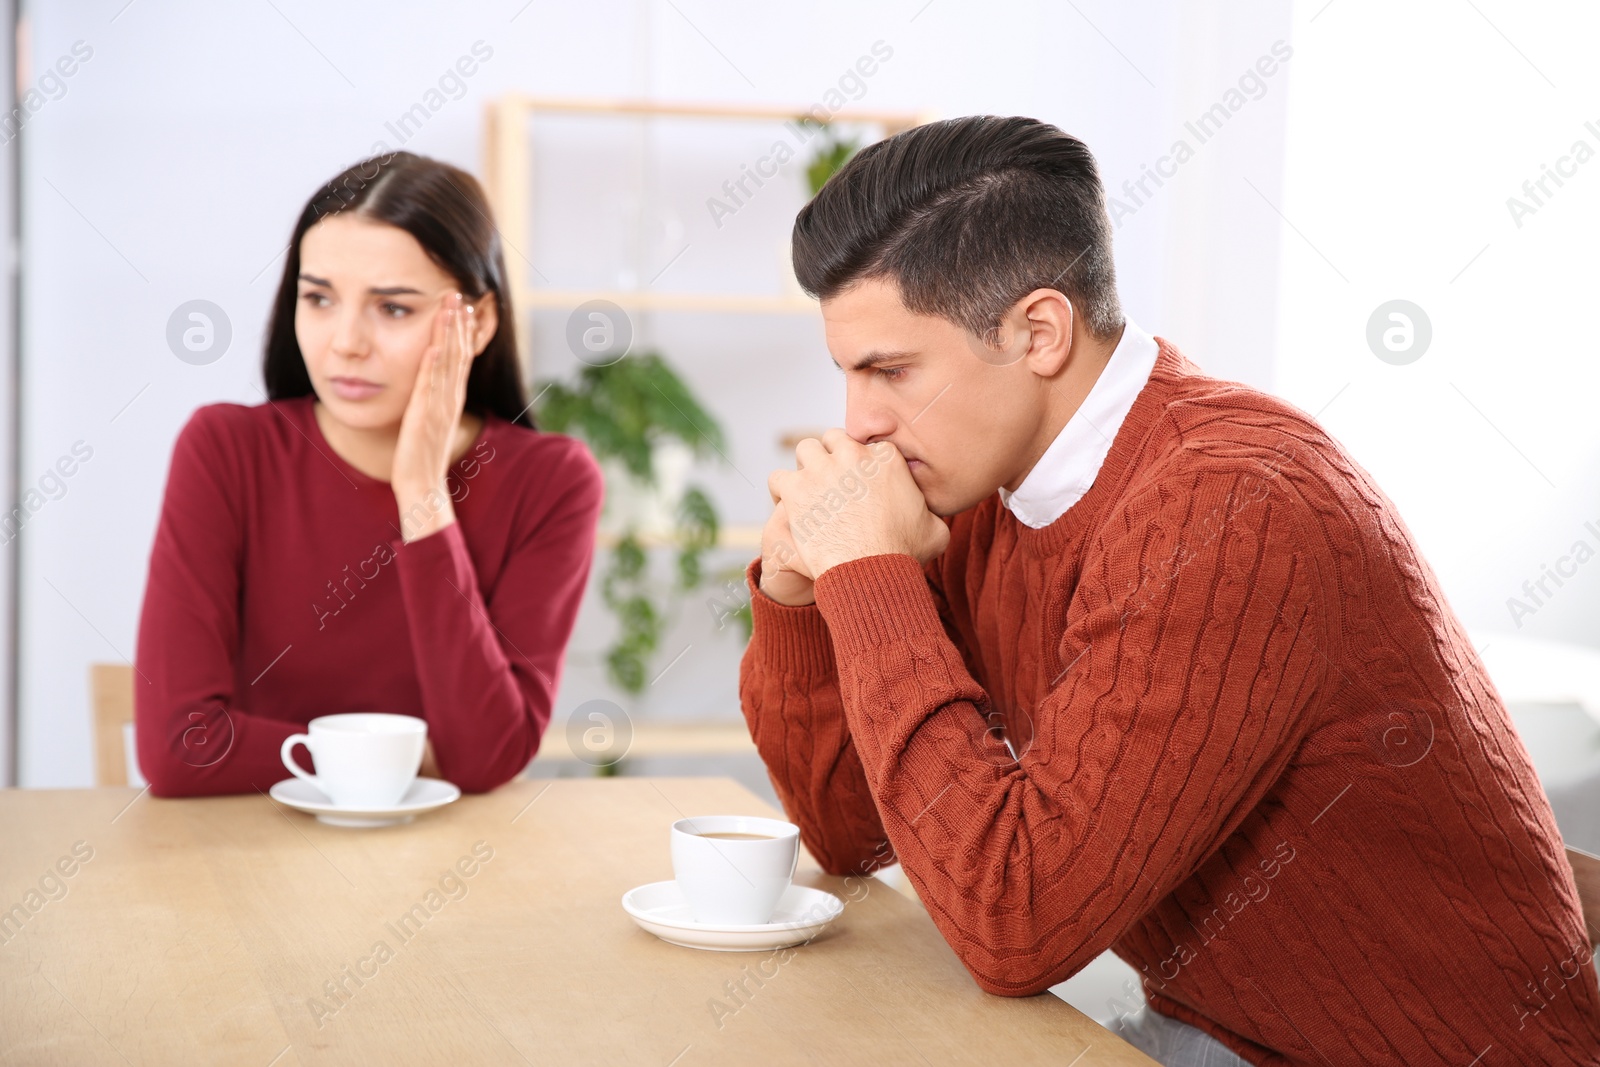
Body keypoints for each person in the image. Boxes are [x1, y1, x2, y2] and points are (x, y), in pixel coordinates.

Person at [738, 115, 1600, 1065]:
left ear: (1038, 331)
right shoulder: (975, 484)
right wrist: (797, 597)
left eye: (890, 371)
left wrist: (868, 577)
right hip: (1208, 1030)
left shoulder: (1237, 506)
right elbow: (852, 834)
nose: (857, 425)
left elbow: (1014, 928)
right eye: (847, 374)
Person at [135, 152, 602, 797]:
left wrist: (423, 496)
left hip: (449, 867)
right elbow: (181, 748)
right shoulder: (226, 450)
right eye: (319, 298)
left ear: (481, 322)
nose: (346, 342)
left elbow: (485, 758)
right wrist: (409, 758)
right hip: (245, 856)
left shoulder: (551, 483)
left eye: (394, 309)